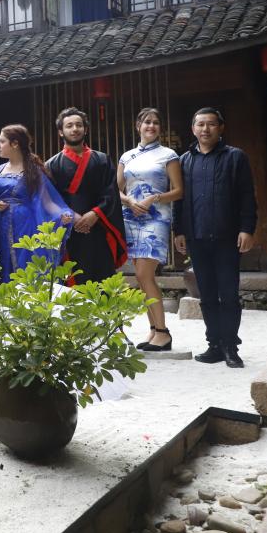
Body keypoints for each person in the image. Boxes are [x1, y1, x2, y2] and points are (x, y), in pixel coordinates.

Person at [173, 107, 257, 368]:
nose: (205, 129)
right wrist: (179, 230)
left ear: (221, 128)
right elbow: (178, 199)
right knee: (207, 296)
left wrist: (247, 229)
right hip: (196, 237)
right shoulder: (184, 161)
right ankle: (214, 345)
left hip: (227, 237)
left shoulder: (235, 157)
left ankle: (230, 346)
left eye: (210, 124)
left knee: (229, 294)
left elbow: (247, 195)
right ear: (193, 129)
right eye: (200, 124)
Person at [117, 108, 183, 352]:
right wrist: (129, 201)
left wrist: (153, 198)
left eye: (155, 122)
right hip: (130, 217)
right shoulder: (127, 156)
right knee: (141, 277)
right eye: (147, 122)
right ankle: (154, 329)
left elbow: (178, 191)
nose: (151, 126)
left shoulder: (168, 155)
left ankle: (163, 333)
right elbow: (116, 189)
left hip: (156, 218)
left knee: (145, 275)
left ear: (160, 128)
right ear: (138, 126)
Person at [45, 107, 128, 284]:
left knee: (102, 282)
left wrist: (95, 214)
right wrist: (72, 217)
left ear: (86, 129)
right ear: (61, 132)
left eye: (79, 125)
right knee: (73, 282)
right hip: (69, 232)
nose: (75, 129)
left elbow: (111, 193)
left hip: (99, 227)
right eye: (69, 126)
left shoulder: (102, 160)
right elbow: (50, 200)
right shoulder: (51, 165)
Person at [0, 124, 73, 280]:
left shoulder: (33, 171)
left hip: (24, 226)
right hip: (0, 225)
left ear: (15, 144)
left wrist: (63, 214)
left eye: (2, 141)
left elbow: (47, 202)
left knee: (25, 266)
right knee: (1, 266)